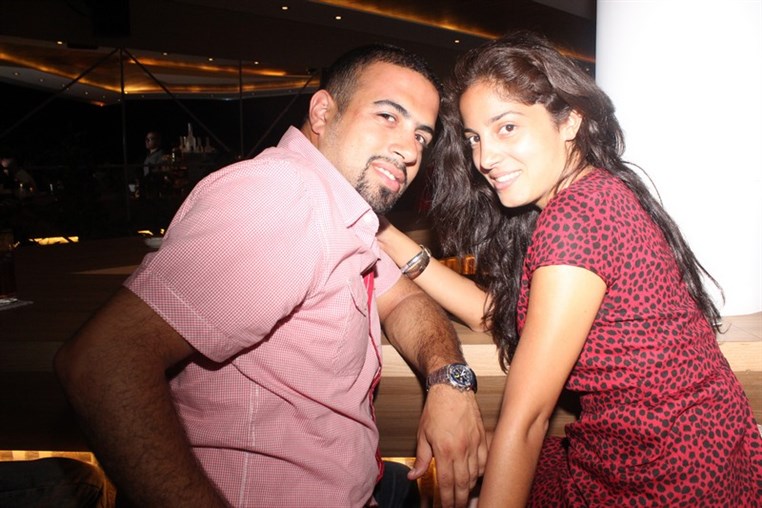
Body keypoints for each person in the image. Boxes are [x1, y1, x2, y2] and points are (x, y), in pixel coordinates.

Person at [55, 44, 487, 508]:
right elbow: (101, 360)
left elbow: (404, 299)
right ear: (322, 112)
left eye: (421, 136)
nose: (408, 149)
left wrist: (450, 379)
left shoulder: (337, 206)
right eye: (387, 116)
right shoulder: (281, 195)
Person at [377, 31, 762, 507]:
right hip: (702, 445)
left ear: (570, 121)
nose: (484, 158)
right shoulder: (597, 190)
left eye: (507, 127)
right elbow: (494, 314)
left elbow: (527, 420)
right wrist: (386, 235)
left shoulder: (575, 219)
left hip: (665, 473)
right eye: (475, 138)